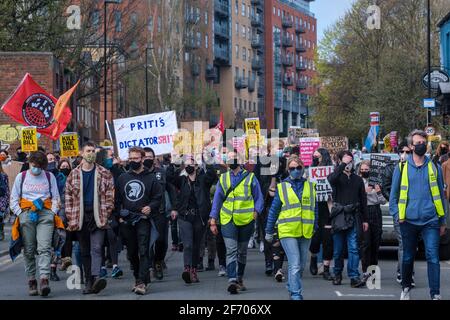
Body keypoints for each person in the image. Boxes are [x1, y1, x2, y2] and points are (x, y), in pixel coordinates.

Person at [390, 130, 447, 300]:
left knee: (433, 257)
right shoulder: (401, 168)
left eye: (423, 142)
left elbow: (440, 197)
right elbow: (393, 196)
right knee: (407, 257)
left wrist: (442, 220)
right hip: (407, 221)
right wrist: (397, 216)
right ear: (411, 145)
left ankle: (435, 293)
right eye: (417, 142)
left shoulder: (435, 167)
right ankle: (406, 287)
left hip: (430, 220)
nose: (421, 145)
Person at [209, 150, 264, 294]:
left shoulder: (251, 178)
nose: (231, 160)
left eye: (234, 158)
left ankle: (239, 278)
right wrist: (213, 219)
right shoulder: (223, 178)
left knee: (242, 252)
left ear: (239, 160)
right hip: (228, 220)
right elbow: (217, 200)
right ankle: (232, 280)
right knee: (232, 250)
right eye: (229, 158)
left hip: (246, 220)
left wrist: (256, 211)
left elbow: (259, 197)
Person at [65, 141, 115, 295]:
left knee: (97, 247)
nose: (91, 153)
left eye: (93, 151)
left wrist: (105, 214)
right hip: (80, 216)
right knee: (84, 249)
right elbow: (68, 197)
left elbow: (109, 195)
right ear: (81, 153)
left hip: (98, 214)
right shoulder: (73, 174)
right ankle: (88, 281)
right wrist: (70, 217)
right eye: (88, 151)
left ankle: (96, 277)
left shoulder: (104, 172)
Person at [266, 155, 317, 300]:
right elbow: (273, 211)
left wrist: (315, 225)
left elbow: (314, 208)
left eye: (298, 168)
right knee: (294, 264)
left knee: (300, 266)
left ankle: (291, 286)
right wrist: (269, 231)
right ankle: (296, 294)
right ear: (288, 170)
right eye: (292, 168)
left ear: (302, 168)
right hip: (287, 230)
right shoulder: (281, 187)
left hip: (305, 230)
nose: (296, 170)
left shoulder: (310, 186)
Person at [10, 151, 60, 296]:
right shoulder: (22, 176)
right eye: (34, 165)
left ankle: (44, 279)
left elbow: (55, 197)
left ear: (44, 166)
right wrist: (20, 214)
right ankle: (32, 280)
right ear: (30, 163)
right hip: (27, 214)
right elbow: (14, 198)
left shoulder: (49, 177)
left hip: (45, 214)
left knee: (44, 248)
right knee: (29, 249)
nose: (36, 168)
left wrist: (52, 212)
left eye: (39, 166)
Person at [116, 147, 162, 295]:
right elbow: (116, 199)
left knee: (143, 249)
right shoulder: (123, 178)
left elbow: (158, 197)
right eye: (130, 159)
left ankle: (142, 281)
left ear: (142, 159)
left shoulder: (151, 177)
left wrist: (150, 207)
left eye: (135, 159)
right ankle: (138, 277)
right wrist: (119, 216)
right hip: (127, 219)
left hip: (143, 219)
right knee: (132, 252)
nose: (132, 161)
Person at [168, 155, 218, 283]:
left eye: (192, 163)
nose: (189, 166)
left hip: (200, 217)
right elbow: (169, 177)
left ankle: (194, 270)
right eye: (187, 164)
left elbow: (212, 175)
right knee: (188, 244)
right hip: (185, 216)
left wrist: (207, 160)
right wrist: (174, 163)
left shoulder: (203, 180)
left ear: (196, 166)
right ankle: (187, 269)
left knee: (196, 245)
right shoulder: (182, 180)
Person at [327, 150, 369, 288]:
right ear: (340, 161)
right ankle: (337, 274)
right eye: (346, 160)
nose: (348, 163)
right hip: (339, 215)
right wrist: (342, 164)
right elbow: (331, 179)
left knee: (353, 248)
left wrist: (365, 220)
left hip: (354, 215)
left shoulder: (357, 179)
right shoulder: (336, 177)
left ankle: (354, 276)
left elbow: (363, 200)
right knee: (338, 249)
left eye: (350, 160)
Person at [143, 147, 177, 281]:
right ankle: (151, 265)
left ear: (154, 158)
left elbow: (171, 190)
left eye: (150, 157)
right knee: (147, 241)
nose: (147, 159)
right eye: (145, 157)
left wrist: (174, 207)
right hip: (144, 213)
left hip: (160, 212)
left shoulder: (161, 173)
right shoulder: (137, 174)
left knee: (161, 241)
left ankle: (158, 260)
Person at [358, 160, 387, 283]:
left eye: (366, 169)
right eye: (362, 169)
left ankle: (373, 271)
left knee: (375, 243)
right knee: (366, 243)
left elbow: (383, 201)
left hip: (375, 211)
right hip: (364, 212)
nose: (364, 171)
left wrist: (378, 191)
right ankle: (365, 271)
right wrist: (365, 191)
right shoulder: (358, 182)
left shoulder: (377, 182)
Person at [308, 148, 334, 280]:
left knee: (328, 240)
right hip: (314, 208)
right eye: (314, 157)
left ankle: (326, 269)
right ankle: (313, 257)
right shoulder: (309, 172)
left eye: (317, 157)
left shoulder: (331, 171)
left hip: (327, 208)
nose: (315, 159)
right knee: (315, 239)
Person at [0, 160, 9, 241]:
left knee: (0, 216)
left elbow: (6, 189)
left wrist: (7, 201)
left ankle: (1, 230)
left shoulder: (3, 175)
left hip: (1, 198)